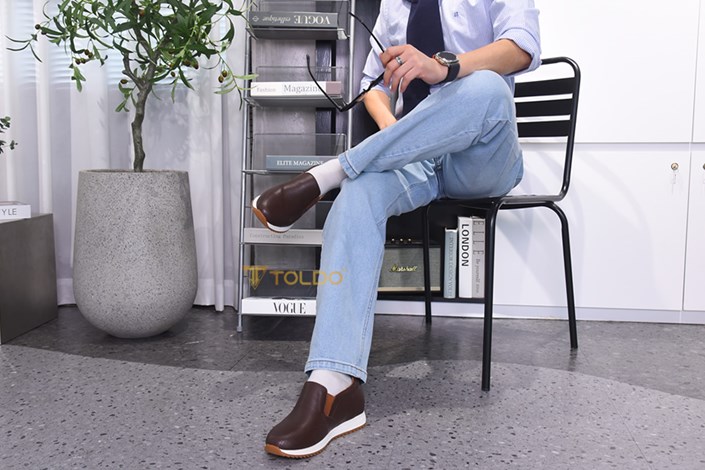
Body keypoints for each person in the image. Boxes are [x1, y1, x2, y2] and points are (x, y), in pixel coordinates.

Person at [254, 0, 541, 459]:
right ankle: (335, 384)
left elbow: (522, 48)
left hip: (483, 154)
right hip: (419, 154)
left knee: (486, 86)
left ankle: (328, 173)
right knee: (356, 196)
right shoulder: (394, 6)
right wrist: (396, 134)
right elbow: (372, 84)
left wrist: (444, 67)